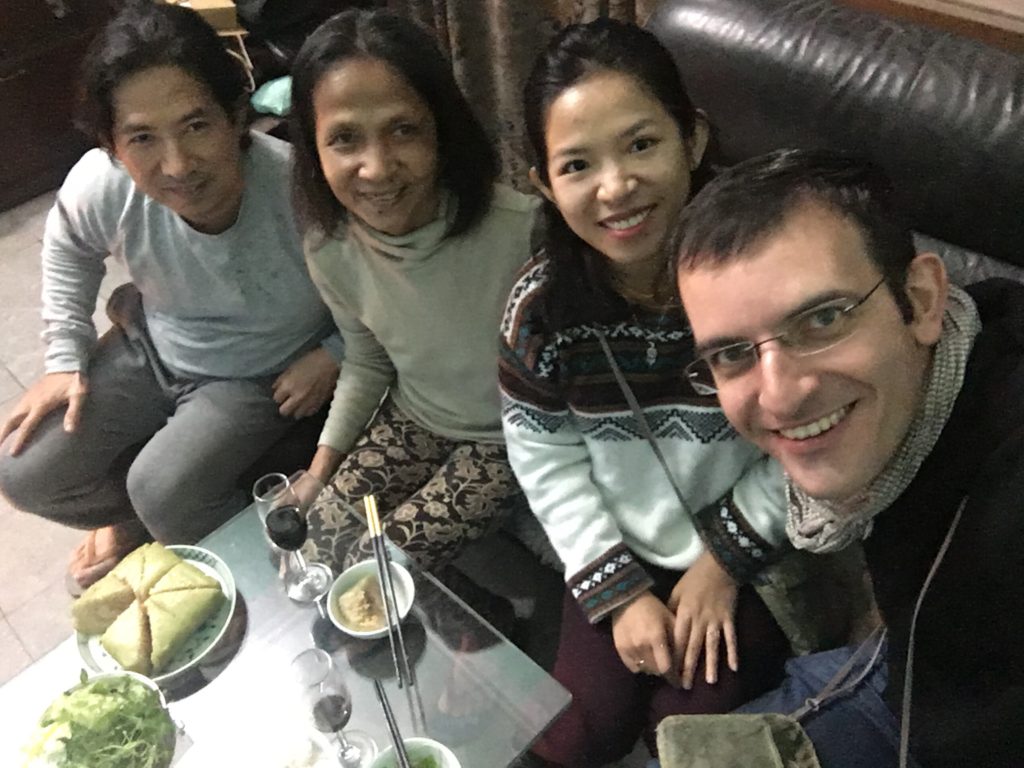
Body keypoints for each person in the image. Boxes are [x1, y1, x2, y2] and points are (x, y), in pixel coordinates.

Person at [498, 20, 793, 767]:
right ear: (544, 184)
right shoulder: (540, 312)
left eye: (640, 144)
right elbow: (545, 458)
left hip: (752, 550)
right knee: (571, 737)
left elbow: (809, 435)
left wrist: (722, 561)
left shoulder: (759, 281)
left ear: (692, 140)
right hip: (615, 546)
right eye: (577, 165)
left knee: (687, 731)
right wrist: (618, 592)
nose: (615, 186)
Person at [673, 148, 1024, 768]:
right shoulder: (917, 416)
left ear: (921, 299)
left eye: (823, 319)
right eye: (731, 354)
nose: (779, 397)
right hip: (910, 676)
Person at [0, 2, 342, 594]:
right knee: (23, 470)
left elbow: (385, 289)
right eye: (142, 138)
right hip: (153, 342)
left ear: (236, 114)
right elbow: (69, 244)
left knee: (162, 489)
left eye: (196, 126)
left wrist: (334, 353)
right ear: (112, 146)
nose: (178, 165)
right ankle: (140, 524)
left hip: (252, 375)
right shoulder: (102, 183)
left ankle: (262, 591)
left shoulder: (300, 192)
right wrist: (64, 356)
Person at [288, 10, 537, 574]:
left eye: (403, 130)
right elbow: (367, 359)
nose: (376, 169)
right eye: (344, 139)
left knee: (379, 568)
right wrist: (319, 472)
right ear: (314, 148)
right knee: (316, 544)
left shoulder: (523, 231)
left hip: (508, 439)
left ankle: (504, 610)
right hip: (414, 418)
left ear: (441, 130)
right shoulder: (330, 248)